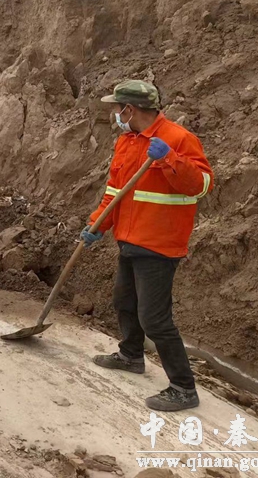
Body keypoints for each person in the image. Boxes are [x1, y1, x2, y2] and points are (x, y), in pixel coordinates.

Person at [81, 80, 213, 412]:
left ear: (130, 109)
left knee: (154, 318)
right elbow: (115, 191)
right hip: (130, 237)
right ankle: (131, 355)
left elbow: (200, 186)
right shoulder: (127, 141)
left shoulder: (178, 139)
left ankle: (183, 387)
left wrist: (169, 158)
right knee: (124, 301)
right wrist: (97, 224)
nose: (115, 114)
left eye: (117, 108)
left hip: (160, 243)